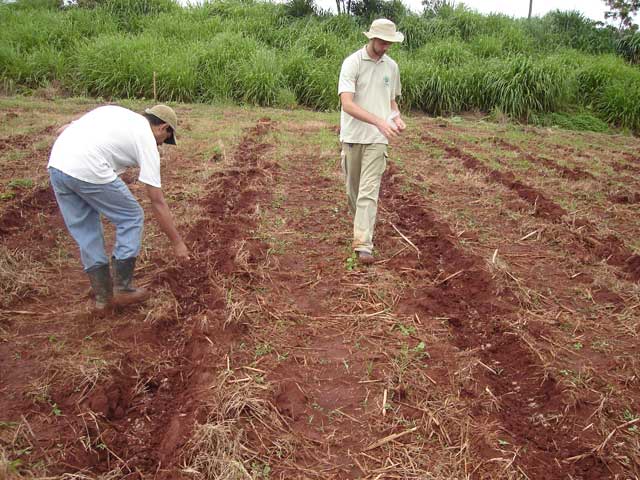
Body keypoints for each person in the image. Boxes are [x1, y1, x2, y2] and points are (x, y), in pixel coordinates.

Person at [47, 104, 190, 312]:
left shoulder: (115, 113)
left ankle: (103, 298)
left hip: (58, 164)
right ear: (163, 127)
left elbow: (62, 130)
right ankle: (122, 288)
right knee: (131, 216)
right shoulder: (147, 139)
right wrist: (177, 243)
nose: (161, 145)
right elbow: (156, 200)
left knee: (87, 230)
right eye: (164, 140)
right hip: (88, 165)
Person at [338, 18, 406, 265]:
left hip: (378, 140)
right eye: (382, 41)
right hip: (353, 137)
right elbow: (347, 103)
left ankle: (363, 244)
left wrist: (396, 118)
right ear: (371, 37)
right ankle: (361, 227)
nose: (386, 46)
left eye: (390, 42)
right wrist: (378, 120)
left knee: (369, 192)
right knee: (353, 192)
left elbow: (391, 102)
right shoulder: (352, 63)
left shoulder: (392, 67)